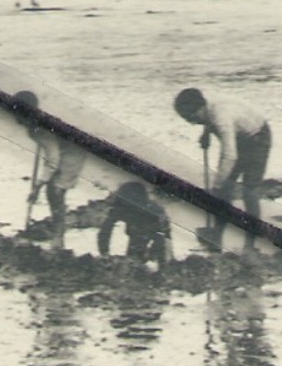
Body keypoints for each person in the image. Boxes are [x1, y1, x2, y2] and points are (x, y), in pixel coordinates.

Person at [173, 87, 271, 250]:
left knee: (249, 191)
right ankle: (215, 240)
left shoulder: (221, 117)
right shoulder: (207, 107)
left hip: (258, 138)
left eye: (192, 118)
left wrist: (217, 185)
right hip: (238, 136)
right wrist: (206, 133)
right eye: (188, 120)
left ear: (200, 108)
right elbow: (207, 120)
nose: (193, 123)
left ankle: (251, 244)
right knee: (224, 192)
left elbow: (230, 155)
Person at [12, 90, 86, 248]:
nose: (14, 117)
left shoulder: (39, 128)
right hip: (66, 149)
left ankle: (58, 242)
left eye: (16, 112)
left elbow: (53, 159)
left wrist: (38, 186)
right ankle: (58, 238)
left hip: (73, 153)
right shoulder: (35, 125)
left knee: (55, 192)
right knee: (53, 192)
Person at [97, 182, 172, 267]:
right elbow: (106, 228)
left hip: (149, 225)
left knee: (140, 251)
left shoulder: (155, 214)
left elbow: (163, 237)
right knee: (135, 254)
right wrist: (104, 251)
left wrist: (152, 255)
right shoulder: (122, 208)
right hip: (139, 225)